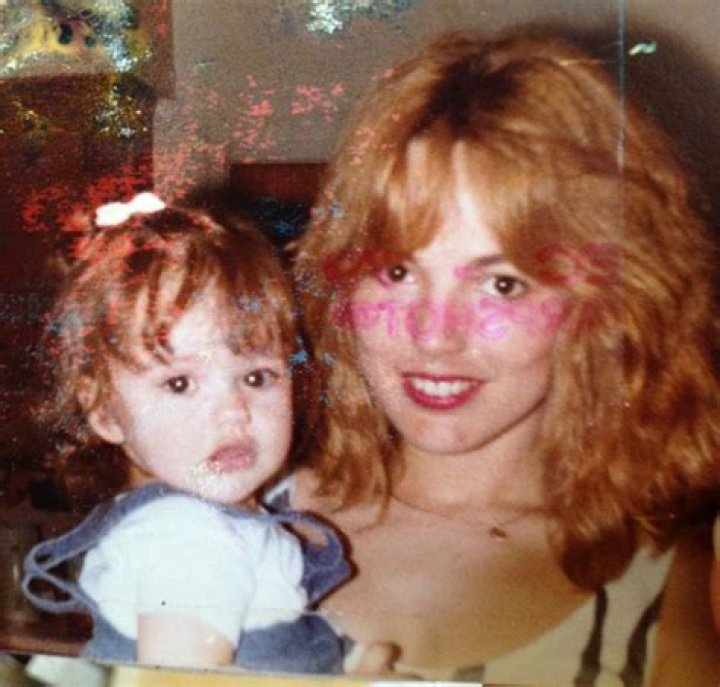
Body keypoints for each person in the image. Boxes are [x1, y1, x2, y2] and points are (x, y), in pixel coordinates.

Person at [288, 32, 720, 684]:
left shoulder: (666, 593)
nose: (435, 336)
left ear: (602, 305)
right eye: (397, 270)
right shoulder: (222, 520)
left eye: (503, 284)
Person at [22, 193, 349, 673]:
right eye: (180, 384)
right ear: (106, 412)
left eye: (256, 376)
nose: (233, 411)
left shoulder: (211, 522)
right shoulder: (189, 538)